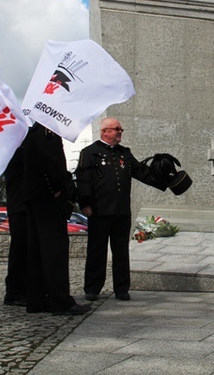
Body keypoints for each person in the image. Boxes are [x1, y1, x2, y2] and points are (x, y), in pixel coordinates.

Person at [76, 117, 162, 301]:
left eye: (121, 129)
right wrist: (85, 203)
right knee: (96, 251)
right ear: (104, 132)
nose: (120, 131)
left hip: (121, 211)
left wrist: (164, 177)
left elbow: (141, 172)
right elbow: (83, 180)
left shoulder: (125, 153)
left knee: (121, 251)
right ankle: (92, 289)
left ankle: (122, 289)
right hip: (99, 211)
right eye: (116, 129)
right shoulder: (89, 152)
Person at [22, 123, 90, 315]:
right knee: (55, 251)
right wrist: (59, 189)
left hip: (34, 197)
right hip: (47, 198)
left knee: (36, 252)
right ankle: (60, 301)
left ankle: (36, 300)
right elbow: (50, 162)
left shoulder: (33, 130)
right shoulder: (47, 131)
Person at [3, 146, 26, 307]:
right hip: (20, 207)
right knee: (20, 250)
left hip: (22, 206)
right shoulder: (16, 151)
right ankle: (14, 292)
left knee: (24, 251)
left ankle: (22, 290)